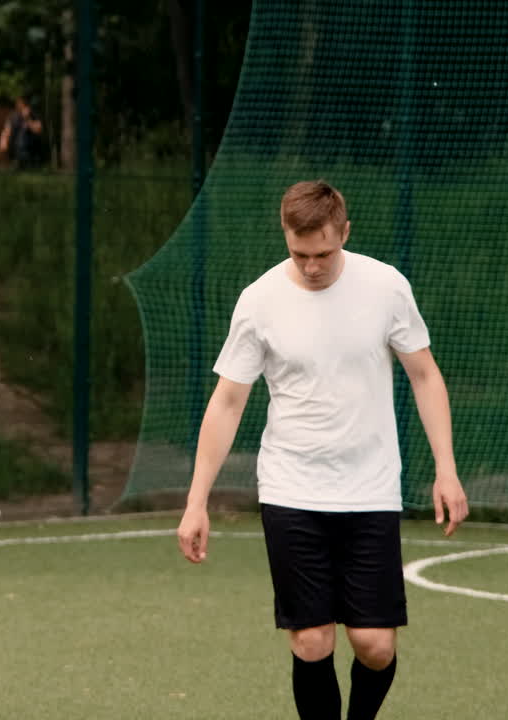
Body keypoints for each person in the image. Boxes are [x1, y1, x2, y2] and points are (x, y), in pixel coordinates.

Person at [176, 180, 469, 720]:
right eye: (299, 253)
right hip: (292, 488)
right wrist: (197, 501)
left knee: (375, 645)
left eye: (324, 253)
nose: (312, 266)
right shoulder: (259, 300)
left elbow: (425, 375)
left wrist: (446, 470)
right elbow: (227, 402)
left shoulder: (385, 287)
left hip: (370, 488)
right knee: (311, 640)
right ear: (286, 236)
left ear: (346, 233)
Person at [0, 94, 45, 169]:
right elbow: (6, 131)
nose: (20, 105)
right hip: (15, 148)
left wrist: (27, 119)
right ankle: (17, 162)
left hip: (31, 149)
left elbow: (38, 130)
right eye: (18, 103)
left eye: (22, 103)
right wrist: (3, 143)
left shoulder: (34, 116)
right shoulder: (13, 116)